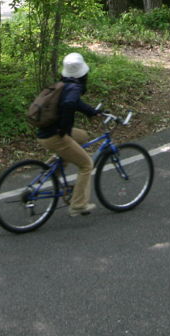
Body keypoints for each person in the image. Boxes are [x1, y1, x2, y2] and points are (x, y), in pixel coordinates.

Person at [35, 52, 104, 217]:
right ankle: (78, 205)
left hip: (45, 132)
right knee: (86, 165)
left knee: (82, 136)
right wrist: (64, 130)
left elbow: (76, 103)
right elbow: (69, 103)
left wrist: (93, 112)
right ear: (83, 72)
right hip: (54, 135)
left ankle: (51, 169)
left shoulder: (64, 85)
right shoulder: (75, 87)